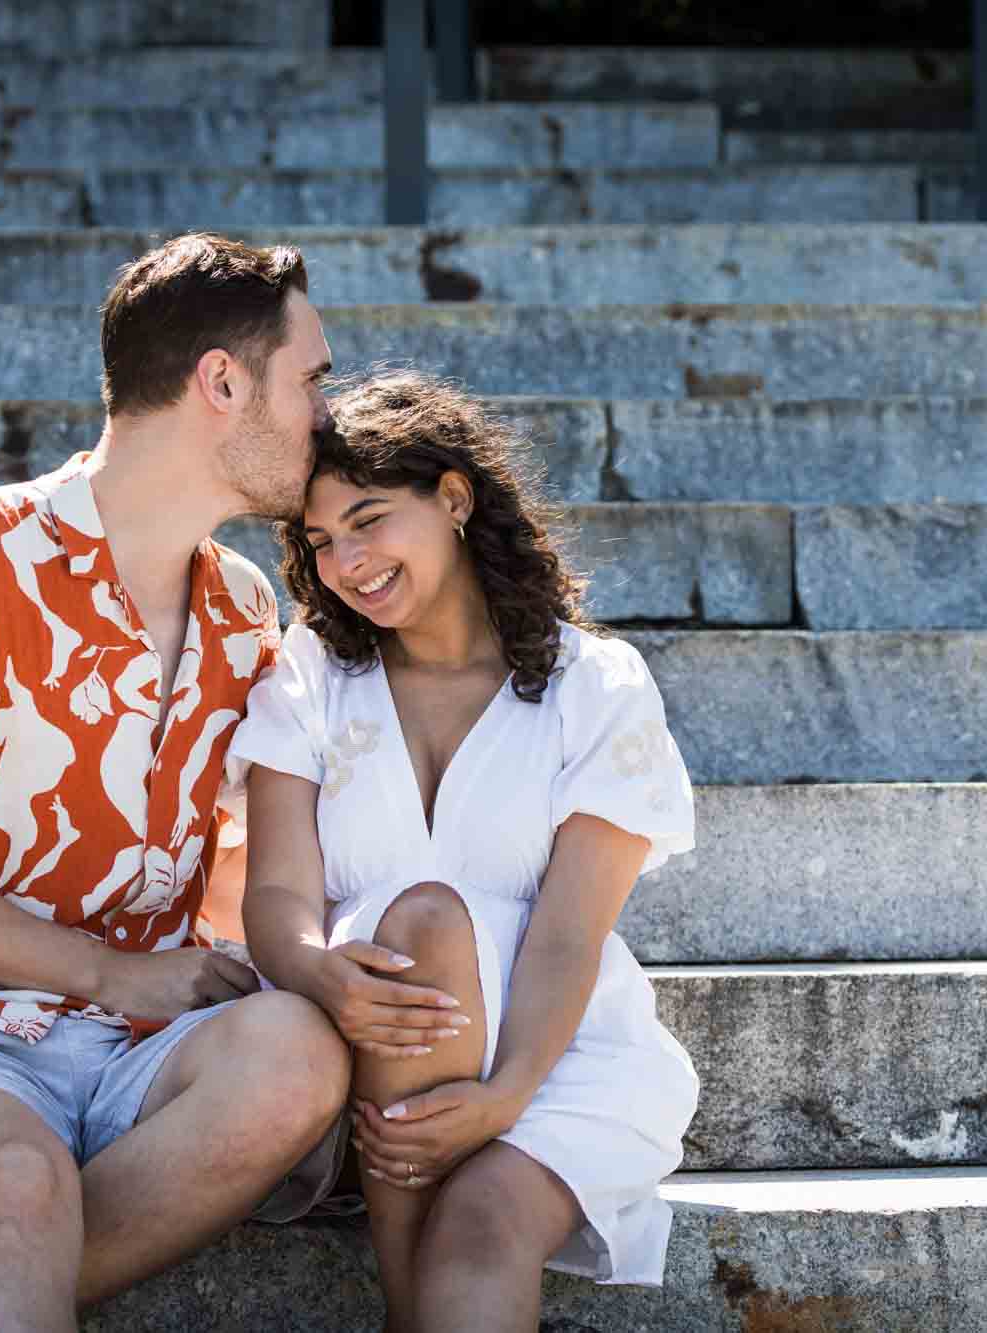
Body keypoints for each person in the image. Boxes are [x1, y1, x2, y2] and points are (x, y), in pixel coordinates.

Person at [0, 234, 456, 1333]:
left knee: (295, 1055)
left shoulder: (244, 609)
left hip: (141, 1046)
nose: (323, 416)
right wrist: (104, 972)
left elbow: (248, 859)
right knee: (17, 1180)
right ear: (221, 382)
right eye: (310, 378)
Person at [230, 371, 701, 1331]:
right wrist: (318, 970)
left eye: (368, 520)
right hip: (364, 1041)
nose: (347, 562)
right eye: (321, 542)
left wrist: (507, 1095)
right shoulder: (313, 673)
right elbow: (276, 891)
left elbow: (570, 934)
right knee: (426, 924)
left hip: (557, 1051)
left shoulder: (596, 684)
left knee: (484, 1223)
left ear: (452, 497)